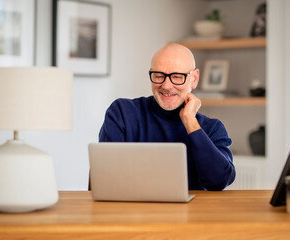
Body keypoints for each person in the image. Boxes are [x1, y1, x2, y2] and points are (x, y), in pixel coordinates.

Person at [98, 43, 235, 191]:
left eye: (177, 77)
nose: (167, 86)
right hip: (133, 211)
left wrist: (190, 122)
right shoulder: (122, 113)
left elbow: (219, 181)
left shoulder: (212, 129)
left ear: (194, 79)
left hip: (191, 213)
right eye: (159, 76)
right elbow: (108, 177)